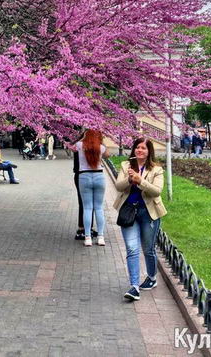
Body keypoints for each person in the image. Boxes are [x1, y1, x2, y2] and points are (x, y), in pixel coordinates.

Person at [114, 137, 167, 302]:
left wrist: (141, 181)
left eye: (144, 148)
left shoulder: (156, 169)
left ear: (149, 151)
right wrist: (129, 180)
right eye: (138, 147)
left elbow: (156, 191)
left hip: (148, 213)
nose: (140, 150)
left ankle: (151, 277)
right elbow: (118, 186)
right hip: (129, 212)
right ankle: (134, 286)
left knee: (148, 249)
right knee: (132, 249)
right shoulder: (125, 165)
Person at [74, 129, 108, 247]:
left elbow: (71, 145)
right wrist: (101, 140)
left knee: (87, 208)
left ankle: (87, 237)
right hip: (99, 176)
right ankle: (101, 237)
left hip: (84, 176)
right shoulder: (101, 147)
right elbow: (107, 154)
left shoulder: (79, 145)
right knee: (99, 208)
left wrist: (82, 136)